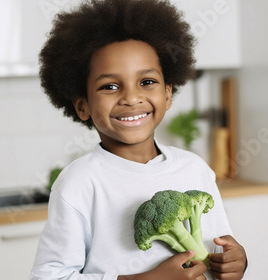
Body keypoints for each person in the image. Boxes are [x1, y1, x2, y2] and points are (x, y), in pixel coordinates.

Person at [29, 0, 247, 279]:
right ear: (81, 105)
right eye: (110, 86)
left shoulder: (195, 169)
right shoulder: (80, 183)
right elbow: (49, 276)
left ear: (168, 94)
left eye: (146, 82)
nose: (131, 98)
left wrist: (235, 261)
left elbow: (216, 251)